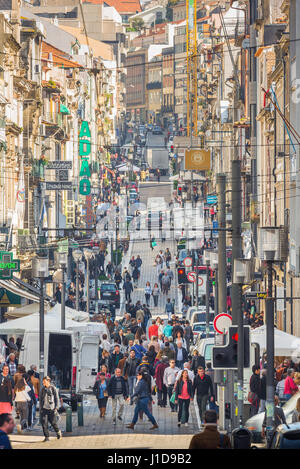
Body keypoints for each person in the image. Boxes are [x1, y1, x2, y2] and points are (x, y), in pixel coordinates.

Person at [39, 376, 62, 442]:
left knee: (53, 423)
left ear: (48, 381)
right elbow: (40, 399)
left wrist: (56, 407)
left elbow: (56, 398)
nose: (43, 383)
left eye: (44, 382)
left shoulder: (53, 388)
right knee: (44, 423)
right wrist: (41, 408)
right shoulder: (43, 389)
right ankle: (47, 437)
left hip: (52, 409)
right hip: (44, 409)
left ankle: (58, 432)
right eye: (43, 382)